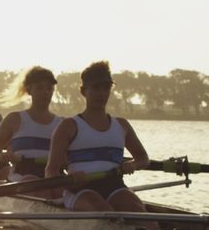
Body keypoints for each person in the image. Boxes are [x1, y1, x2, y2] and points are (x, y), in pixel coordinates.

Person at [45, 60, 150, 213]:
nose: (101, 94)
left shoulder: (122, 125)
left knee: (136, 207)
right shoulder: (68, 126)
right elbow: (50, 172)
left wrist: (133, 164)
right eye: (95, 88)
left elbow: (143, 158)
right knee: (102, 210)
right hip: (79, 190)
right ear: (83, 91)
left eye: (106, 88)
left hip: (114, 186)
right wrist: (69, 182)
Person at [0, 66, 62, 197]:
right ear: (29, 90)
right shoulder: (14, 119)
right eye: (39, 87)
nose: (45, 92)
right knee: (33, 182)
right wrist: (1, 156)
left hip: (52, 178)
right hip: (21, 176)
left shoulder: (62, 123)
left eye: (49, 88)